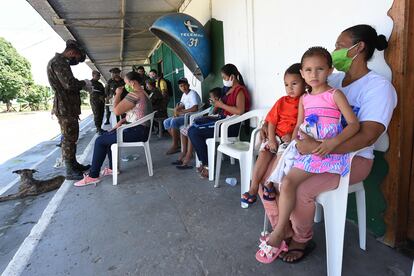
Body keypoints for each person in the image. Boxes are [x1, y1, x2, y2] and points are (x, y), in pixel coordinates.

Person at [258, 24, 397, 263]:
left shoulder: (378, 87)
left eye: (340, 46)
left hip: (354, 158)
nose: (334, 51)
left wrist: (321, 147)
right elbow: (300, 101)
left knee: (301, 190)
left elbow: (368, 136)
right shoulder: (335, 79)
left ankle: (301, 238)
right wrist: (269, 125)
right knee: (270, 179)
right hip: (312, 152)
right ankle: (284, 229)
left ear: (358, 48)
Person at [256, 47, 360, 263]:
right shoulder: (304, 99)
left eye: (320, 69)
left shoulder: (335, 95)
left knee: (290, 184)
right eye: (309, 70)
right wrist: (294, 143)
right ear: (302, 73)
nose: (314, 74)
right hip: (305, 150)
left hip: (326, 150)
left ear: (330, 70)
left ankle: (281, 234)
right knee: (280, 182)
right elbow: (299, 126)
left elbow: (353, 124)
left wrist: (333, 142)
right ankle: (282, 230)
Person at [241, 63, 306, 205]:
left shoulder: (307, 101)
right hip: (275, 135)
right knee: (264, 153)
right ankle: (253, 188)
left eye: (294, 83)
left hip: (291, 139)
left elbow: (304, 124)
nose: (290, 88)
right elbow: (271, 121)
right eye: (286, 84)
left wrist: (291, 135)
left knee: (281, 157)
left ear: (305, 82)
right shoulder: (282, 102)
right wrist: (271, 139)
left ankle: (269, 184)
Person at [74, 71, 153, 186]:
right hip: (141, 130)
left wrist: (118, 94)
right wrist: (122, 121)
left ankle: (93, 176)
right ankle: (112, 169)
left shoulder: (135, 94)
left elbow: (116, 111)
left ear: (132, 82)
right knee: (107, 137)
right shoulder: (144, 93)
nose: (125, 85)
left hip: (138, 131)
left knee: (100, 141)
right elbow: (139, 113)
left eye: (126, 83)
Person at [188, 64, 251, 178]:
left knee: (194, 132)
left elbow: (240, 110)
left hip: (229, 127)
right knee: (194, 125)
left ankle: (207, 164)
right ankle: (204, 161)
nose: (224, 80)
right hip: (222, 121)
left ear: (232, 76)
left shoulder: (240, 90)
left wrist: (222, 104)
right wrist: (216, 104)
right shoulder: (229, 89)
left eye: (224, 77)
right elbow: (223, 106)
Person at [47, 39, 91, 180]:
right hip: (65, 106)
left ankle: (73, 164)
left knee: (72, 137)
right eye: (77, 58)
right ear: (72, 52)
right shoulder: (59, 62)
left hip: (68, 106)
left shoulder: (61, 62)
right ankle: (70, 170)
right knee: (68, 138)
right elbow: (69, 84)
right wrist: (83, 83)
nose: (76, 61)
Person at [174, 87, 224, 170]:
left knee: (192, 130)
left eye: (211, 97)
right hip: (207, 123)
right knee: (183, 129)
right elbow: (210, 113)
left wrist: (215, 104)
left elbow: (213, 113)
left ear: (216, 98)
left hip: (212, 125)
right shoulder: (213, 105)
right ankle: (184, 152)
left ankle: (189, 155)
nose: (210, 99)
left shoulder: (218, 105)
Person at [163, 77, 201, 155]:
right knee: (166, 122)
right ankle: (179, 142)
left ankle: (175, 145)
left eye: (184, 85)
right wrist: (177, 109)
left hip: (193, 116)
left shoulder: (192, 93)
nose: (183, 87)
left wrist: (183, 111)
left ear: (188, 85)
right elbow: (182, 104)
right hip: (185, 115)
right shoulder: (184, 94)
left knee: (174, 121)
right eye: (181, 86)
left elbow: (195, 108)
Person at [90, 70, 106, 134]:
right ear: (93, 75)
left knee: (101, 114)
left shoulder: (100, 84)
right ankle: (98, 128)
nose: (99, 77)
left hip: (101, 101)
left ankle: (99, 128)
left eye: (99, 75)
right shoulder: (90, 82)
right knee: (97, 115)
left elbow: (104, 92)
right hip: (95, 101)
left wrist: (104, 96)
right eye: (97, 75)